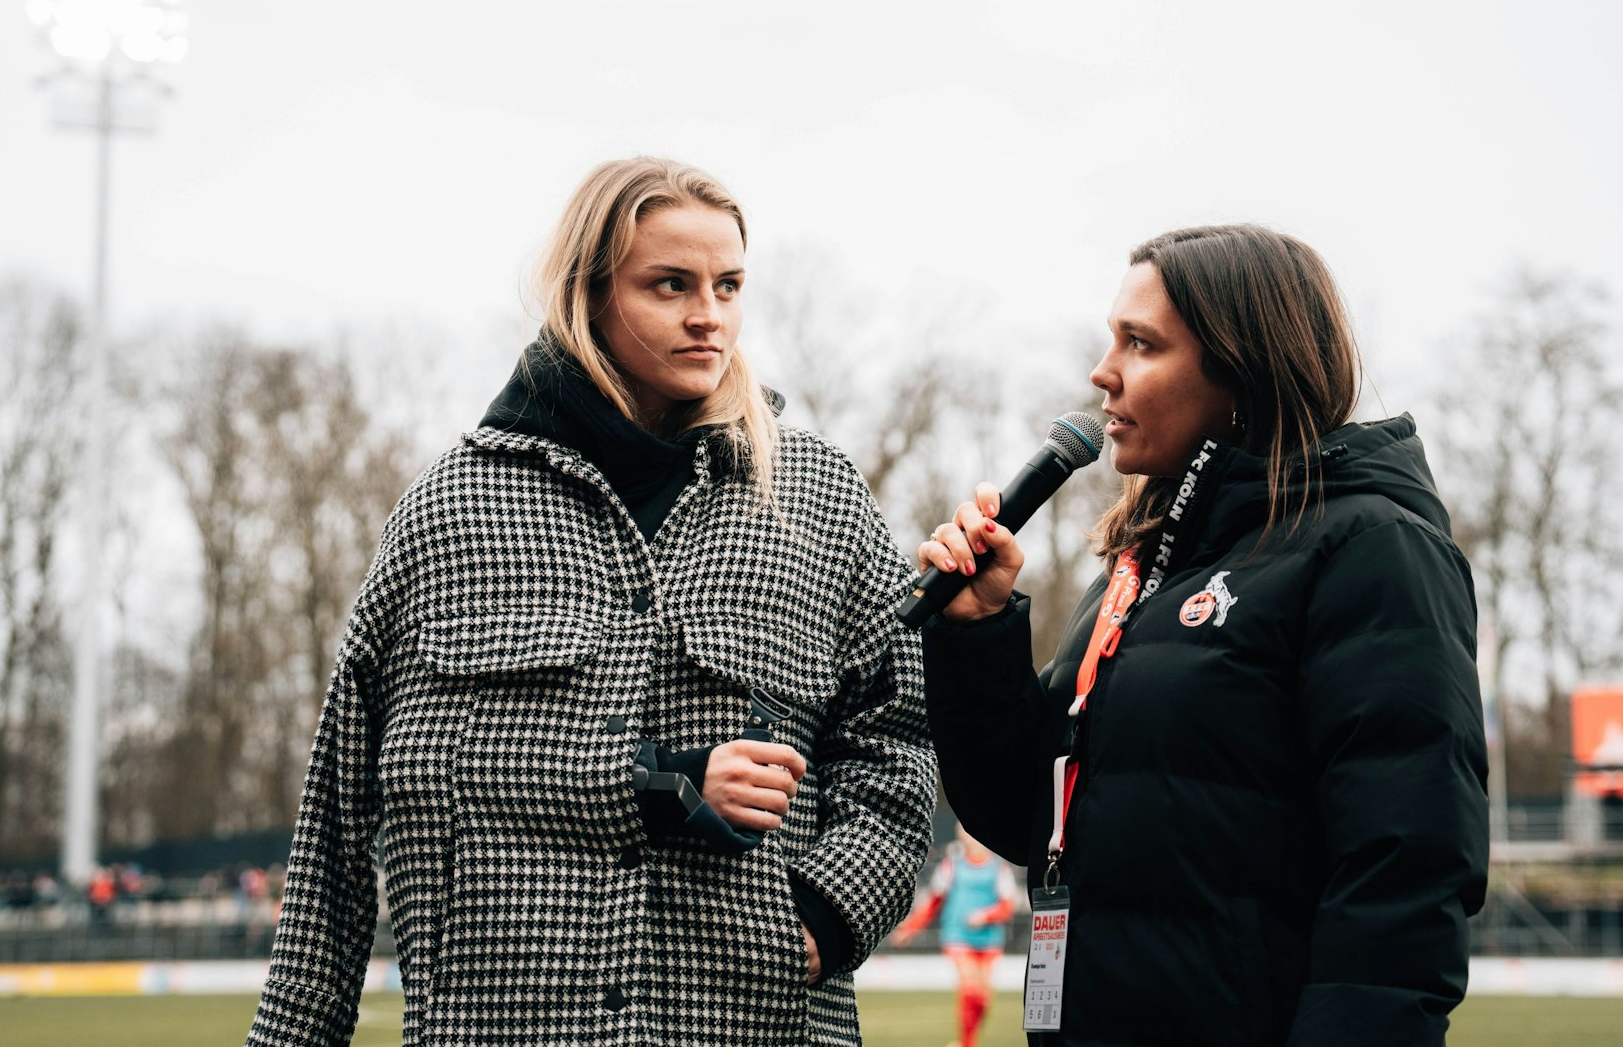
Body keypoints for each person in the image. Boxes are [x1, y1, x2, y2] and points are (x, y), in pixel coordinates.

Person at [246, 156, 935, 1047]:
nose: (708, 315)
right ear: (588, 293)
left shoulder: (818, 497)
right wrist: (662, 782)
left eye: (728, 286)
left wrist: (820, 921)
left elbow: (896, 749)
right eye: (669, 285)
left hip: (752, 1022)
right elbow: (349, 804)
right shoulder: (453, 507)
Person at [914, 224, 1488, 1046]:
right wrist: (977, 637)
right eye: (1111, 338)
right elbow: (1029, 817)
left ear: (1241, 366)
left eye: (1140, 343)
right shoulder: (1140, 565)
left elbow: (1403, 876)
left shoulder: (1371, 546)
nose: (1101, 372)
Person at [891, 822, 1020, 1047]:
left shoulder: (999, 869)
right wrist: (910, 928)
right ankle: (967, 1043)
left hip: (989, 939)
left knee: (983, 998)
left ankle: (968, 1040)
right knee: (970, 988)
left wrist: (986, 916)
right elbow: (933, 901)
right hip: (958, 935)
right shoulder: (951, 866)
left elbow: (1008, 906)